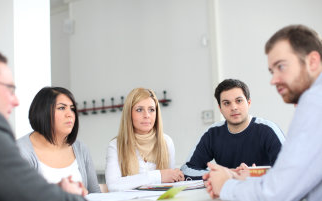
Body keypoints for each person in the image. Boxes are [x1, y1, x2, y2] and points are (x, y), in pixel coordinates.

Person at [205, 24, 322, 201]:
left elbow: (277, 193)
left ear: (312, 61)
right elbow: (296, 179)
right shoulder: (213, 132)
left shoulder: (314, 101)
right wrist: (244, 180)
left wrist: (226, 186)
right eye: (271, 71)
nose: (273, 80)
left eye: (281, 67)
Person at [0, 42, 86, 201]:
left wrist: (54, 191)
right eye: (10, 89)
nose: (16, 101)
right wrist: (71, 197)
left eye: (72, 108)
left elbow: (11, 191)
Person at [181, 79, 285, 180]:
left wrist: (255, 174)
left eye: (239, 101)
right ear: (220, 108)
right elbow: (187, 170)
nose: (234, 107)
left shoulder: (268, 130)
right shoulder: (212, 133)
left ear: (248, 103)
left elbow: (289, 168)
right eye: (227, 103)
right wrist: (228, 173)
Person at [17, 87, 101, 194]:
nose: (69, 114)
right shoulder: (19, 151)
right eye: (61, 108)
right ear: (43, 112)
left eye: (72, 109)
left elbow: (95, 193)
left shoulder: (80, 148)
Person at [105, 88, 184, 192]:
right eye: (139, 109)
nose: (146, 115)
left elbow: (170, 181)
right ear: (129, 114)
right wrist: (158, 176)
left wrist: (176, 176)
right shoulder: (115, 145)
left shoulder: (166, 141)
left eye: (151, 109)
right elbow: (113, 185)